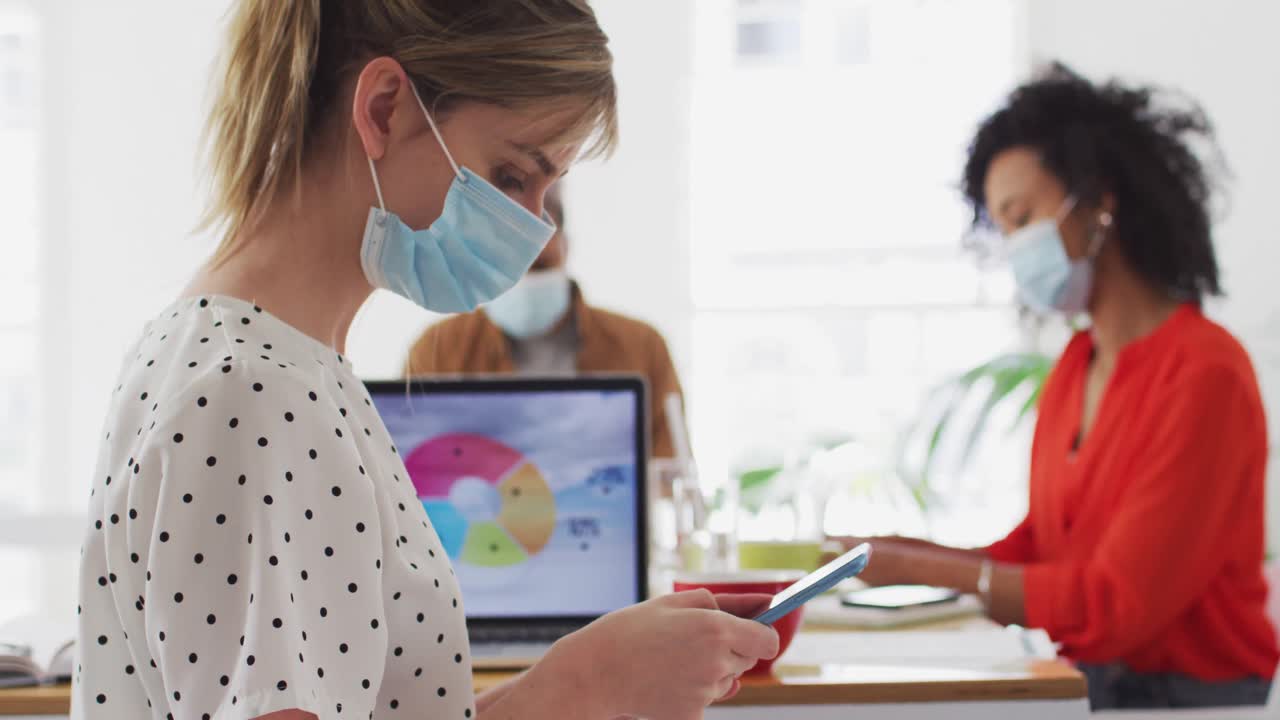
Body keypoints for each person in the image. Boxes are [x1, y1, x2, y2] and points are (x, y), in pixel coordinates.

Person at [71, 2, 778, 719]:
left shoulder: (259, 362)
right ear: (384, 109)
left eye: (547, 193)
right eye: (511, 175)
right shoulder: (256, 390)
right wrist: (584, 686)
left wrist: (587, 675)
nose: (532, 230)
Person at [833, 64, 1278, 709]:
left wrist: (917, 569)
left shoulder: (1206, 374)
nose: (1016, 248)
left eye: (1022, 218)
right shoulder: (1077, 363)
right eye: (1004, 230)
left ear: (1100, 203)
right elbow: (1042, 549)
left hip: (1188, 700)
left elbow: (1115, 605)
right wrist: (892, 554)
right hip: (1092, 682)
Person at [404, 183, 688, 458]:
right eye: (509, 271)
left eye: (539, 266)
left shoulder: (642, 346)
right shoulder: (436, 350)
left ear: (566, 246)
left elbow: (671, 468)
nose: (525, 277)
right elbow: (409, 465)